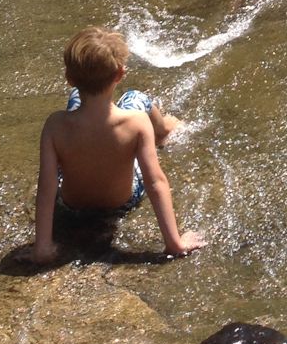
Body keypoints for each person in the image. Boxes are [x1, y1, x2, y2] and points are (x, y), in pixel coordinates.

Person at [29, 26, 206, 264]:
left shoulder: (55, 125)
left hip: (72, 204)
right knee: (136, 97)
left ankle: (85, 122)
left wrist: (42, 248)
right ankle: (164, 131)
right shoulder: (137, 123)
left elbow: (47, 186)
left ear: (69, 78)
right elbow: (155, 182)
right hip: (122, 202)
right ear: (120, 74)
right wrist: (174, 243)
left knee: (75, 100)